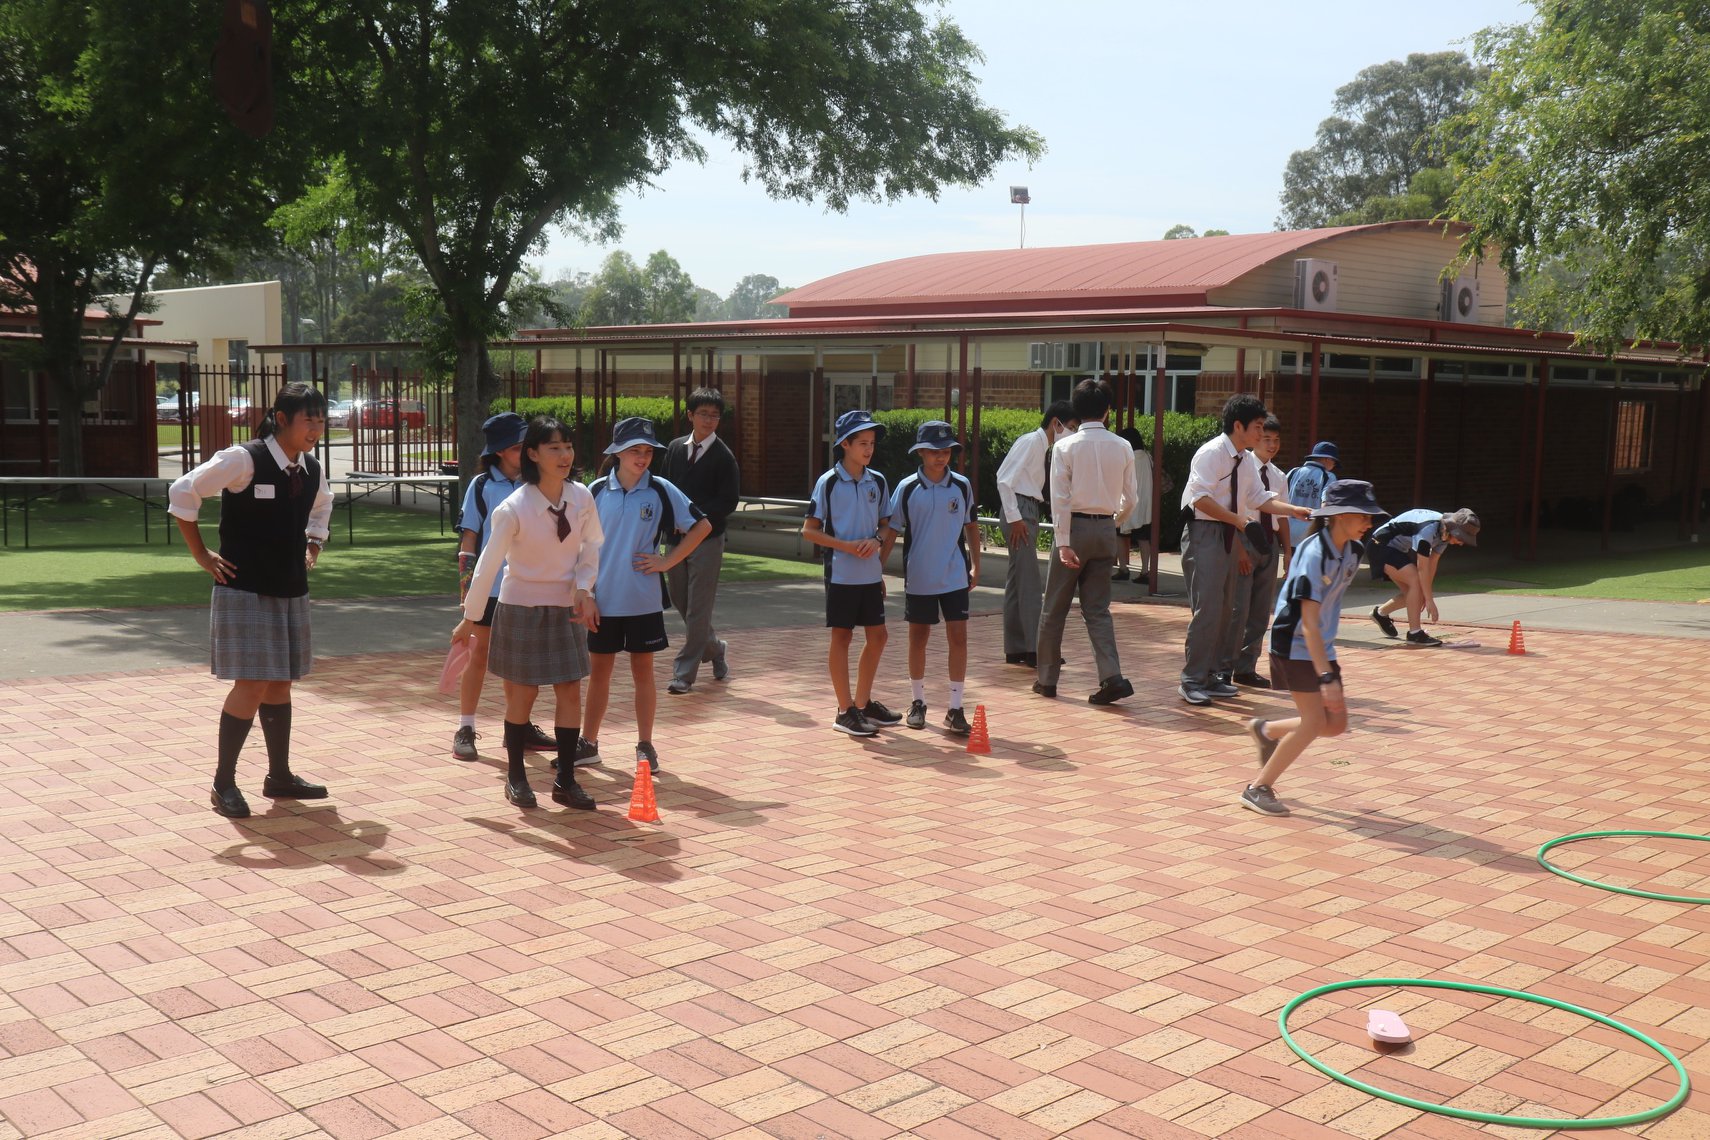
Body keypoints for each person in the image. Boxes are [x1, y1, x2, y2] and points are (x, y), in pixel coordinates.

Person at [169, 381, 334, 819]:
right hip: (244, 588)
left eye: (321, 420)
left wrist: (313, 544)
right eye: (308, 420)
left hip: (290, 587)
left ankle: (279, 776)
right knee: (254, 682)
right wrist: (202, 555)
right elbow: (183, 492)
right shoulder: (244, 459)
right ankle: (224, 782)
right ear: (281, 419)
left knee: (281, 682)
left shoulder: (310, 468)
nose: (316, 428)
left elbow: (322, 508)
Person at [452, 416, 602, 809]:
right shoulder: (512, 507)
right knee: (524, 693)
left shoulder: (583, 497)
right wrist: (471, 616)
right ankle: (516, 776)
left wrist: (585, 590)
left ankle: (565, 780)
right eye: (554, 447)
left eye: (568, 446)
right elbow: (487, 565)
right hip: (520, 606)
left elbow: (591, 548)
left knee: (570, 690)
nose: (564, 455)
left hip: (564, 606)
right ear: (533, 454)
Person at [1242, 480, 1388, 816]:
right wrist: (1326, 676)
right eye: (1363, 516)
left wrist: (1326, 665)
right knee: (1312, 721)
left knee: (1334, 724)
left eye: (1370, 517)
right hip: (1292, 643)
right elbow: (1307, 621)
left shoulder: (1353, 551)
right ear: (1338, 516)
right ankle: (1257, 788)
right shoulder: (1314, 552)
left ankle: (1267, 731)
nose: (1369, 522)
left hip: (1319, 644)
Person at [580, 417, 712, 775]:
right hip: (601, 601)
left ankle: (645, 745)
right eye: (634, 450)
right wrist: (585, 594)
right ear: (617, 453)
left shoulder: (662, 490)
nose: (642, 457)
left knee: (643, 673)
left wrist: (668, 560)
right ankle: (588, 743)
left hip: (642, 601)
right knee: (599, 674)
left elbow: (703, 525)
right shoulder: (592, 492)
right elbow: (581, 549)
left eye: (647, 451)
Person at [1178, 394, 1313, 706]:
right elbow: (1198, 498)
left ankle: (1212, 676)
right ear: (1238, 426)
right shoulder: (1212, 453)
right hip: (1205, 533)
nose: (1260, 433)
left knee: (1226, 610)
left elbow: (1258, 496)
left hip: (1227, 533)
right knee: (1208, 610)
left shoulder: (1244, 460)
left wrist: (1292, 510)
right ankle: (1191, 680)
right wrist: (1239, 521)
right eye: (1257, 426)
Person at [451, 412, 558, 761]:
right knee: (478, 656)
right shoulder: (481, 486)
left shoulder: (538, 483)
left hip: (525, 588)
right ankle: (466, 727)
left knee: (523, 662)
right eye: (516, 446)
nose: (523, 451)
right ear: (499, 451)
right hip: (489, 589)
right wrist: (468, 595)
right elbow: (469, 540)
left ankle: (521, 725)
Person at [1033, 379, 1135, 705]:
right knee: (1098, 610)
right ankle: (1111, 676)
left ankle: (1047, 680)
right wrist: (1111, 521)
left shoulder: (1063, 447)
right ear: (1108, 411)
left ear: (1076, 411)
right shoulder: (1122, 446)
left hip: (1073, 531)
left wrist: (1063, 542)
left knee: (1054, 610)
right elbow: (1131, 498)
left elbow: (1059, 499)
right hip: (1106, 529)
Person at [804, 409, 903, 736]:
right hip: (842, 574)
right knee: (842, 636)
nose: (868, 449)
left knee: (879, 636)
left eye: (871, 443)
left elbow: (888, 526)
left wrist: (875, 543)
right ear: (844, 444)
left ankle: (862, 704)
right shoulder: (828, 482)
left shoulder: (879, 481)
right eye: (862, 442)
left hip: (869, 575)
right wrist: (847, 547)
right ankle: (844, 710)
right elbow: (809, 530)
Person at [880, 421, 981, 736]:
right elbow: (892, 530)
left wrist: (975, 565)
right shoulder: (907, 488)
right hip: (920, 576)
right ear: (921, 452)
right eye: (935, 451)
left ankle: (955, 708)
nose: (942, 457)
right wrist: (876, 571)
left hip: (954, 575)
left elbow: (972, 526)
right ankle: (918, 701)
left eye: (947, 450)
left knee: (959, 638)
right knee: (918, 638)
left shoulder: (961, 485)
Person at [662, 388, 739, 694]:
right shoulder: (675, 448)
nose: (709, 420)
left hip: (707, 541)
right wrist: (672, 523)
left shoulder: (724, 457)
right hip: (676, 540)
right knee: (681, 600)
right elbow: (665, 490)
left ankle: (684, 673)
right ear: (690, 415)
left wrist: (695, 521)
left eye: (715, 415)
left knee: (698, 608)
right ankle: (715, 648)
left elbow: (728, 501)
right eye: (703, 414)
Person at [995, 401, 1076, 666]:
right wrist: (1015, 517)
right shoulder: (1032, 442)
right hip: (1020, 508)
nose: (1073, 433)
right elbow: (1003, 479)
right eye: (1071, 427)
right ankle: (1035, 649)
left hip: (1024, 507)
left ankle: (1016, 646)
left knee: (1018, 580)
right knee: (1029, 581)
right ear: (1057, 423)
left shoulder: (1041, 446)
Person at [1223, 416, 1291, 689]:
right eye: (1266, 439)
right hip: (1245, 539)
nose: (1272, 445)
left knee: (1261, 611)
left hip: (1269, 543)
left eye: (1276, 440)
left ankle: (1246, 666)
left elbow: (1282, 517)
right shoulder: (1241, 465)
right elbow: (1235, 511)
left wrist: (1288, 551)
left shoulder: (1279, 476)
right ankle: (1224, 667)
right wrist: (1239, 549)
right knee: (1239, 608)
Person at [1368, 507, 1481, 647]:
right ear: (1453, 530)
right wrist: (1429, 600)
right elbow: (1422, 566)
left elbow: (1432, 563)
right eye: (1461, 537)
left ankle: (1380, 614)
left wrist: (1425, 595)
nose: (1461, 542)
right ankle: (1415, 634)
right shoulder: (1428, 530)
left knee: (1417, 593)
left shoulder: (1444, 535)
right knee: (1415, 582)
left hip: (1397, 550)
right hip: (1380, 546)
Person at [1111, 425, 1160, 583]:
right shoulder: (1147, 456)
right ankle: (1146, 570)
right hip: (1146, 503)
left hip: (1129, 502)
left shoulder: (1128, 457)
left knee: (1120, 534)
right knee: (1144, 539)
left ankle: (1123, 568)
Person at [1285, 440, 1340, 551]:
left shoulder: (1293, 472)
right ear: (1327, 459)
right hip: (1311, 534)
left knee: (1292, 568)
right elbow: (1326, 505)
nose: (1334, 466)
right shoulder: (1329, 477)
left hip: (1288, 533)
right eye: (1334, 462)